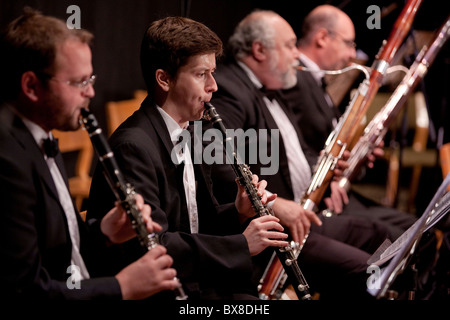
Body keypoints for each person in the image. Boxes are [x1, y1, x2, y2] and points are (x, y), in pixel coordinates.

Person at [87, 16, 288, 300]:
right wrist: (242, 245)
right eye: (200, 74)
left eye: (213, 72)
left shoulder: (191, 132)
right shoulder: (134, 147)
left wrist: (238, 211)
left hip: (200, 282)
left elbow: (195, 223)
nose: (213, 86)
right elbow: (155, 244)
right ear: (164, 79)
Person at [208, 9, 392, 300]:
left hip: (304, 213)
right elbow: (215, 166)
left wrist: (327, 167)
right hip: (275, 231)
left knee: (387, 239)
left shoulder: (272, 86)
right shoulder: (230, 90)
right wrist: (277, 204)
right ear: (259, 50)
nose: (297, 54)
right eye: (290, 45)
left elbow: (296, 150)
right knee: (371, 273)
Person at [0, 9, 180, 300]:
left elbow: (62, 250)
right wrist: (121, 287)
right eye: (79, 82)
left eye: (91, 79)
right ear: (31, 86)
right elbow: (27, 291)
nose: (91, 92)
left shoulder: (42, 136)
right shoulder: (8, 163)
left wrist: (105, 232)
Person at [281, 4, 418, 240]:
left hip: (333, 192)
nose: (351, 54)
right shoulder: (292, 79)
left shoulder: (317, 81)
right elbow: (291, 146)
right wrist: (325, 179)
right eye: (348, 43)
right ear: (322, 37)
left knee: (414, 226)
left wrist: (358, 155)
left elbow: (325, 141)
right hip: (316, 199)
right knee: (401, 235)